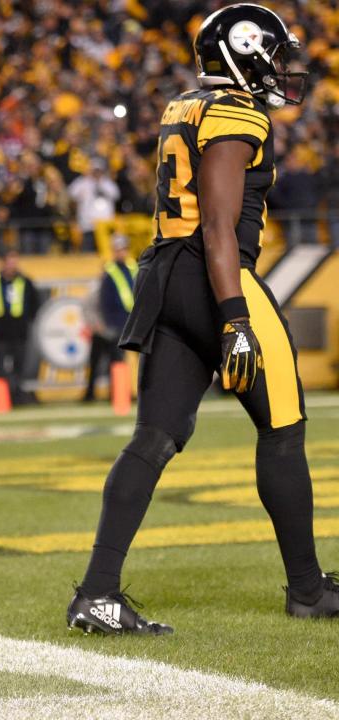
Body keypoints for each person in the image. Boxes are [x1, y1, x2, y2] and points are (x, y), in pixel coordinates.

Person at [67, 4, 338, 635]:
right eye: (272, 54)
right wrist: (235, 315)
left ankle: (98, 593)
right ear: (244, 52)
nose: (280, 68)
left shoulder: (182, 105)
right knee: (283, 428)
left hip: (166, 277)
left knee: (154, 438)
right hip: (214, 276)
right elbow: (217, 225)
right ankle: (306, 588)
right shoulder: (237, 112)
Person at [82, 234, 137, 402]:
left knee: (122, 361)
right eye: (118, 249)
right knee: (107, 361)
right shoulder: (109, 272)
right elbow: (98, 302)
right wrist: (102, 324)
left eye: (123, 248)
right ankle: (110, 394)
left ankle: (124, 392)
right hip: (112, 324)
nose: (121, 252)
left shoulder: (134, 268)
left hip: (129, 321)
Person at [0, 250, 40, 404]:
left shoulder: (25, 281)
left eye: (14, 261)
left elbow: (34, 304)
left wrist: (27, 321)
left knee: (19, 366)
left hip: (19, 331)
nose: (12, 265)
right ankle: (1, 399)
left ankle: (16, 397)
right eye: (9, 261)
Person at [68, 157, 119, 252]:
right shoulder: (82, 183)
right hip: (88, 225)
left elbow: (116, 195)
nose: (96, 173)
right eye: (94, 170)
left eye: (98, 171)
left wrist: (101, 185)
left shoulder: (108, 183)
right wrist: (85, 178)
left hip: (105, 226)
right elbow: (71, 193)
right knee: (88, 253)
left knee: (105, 252)